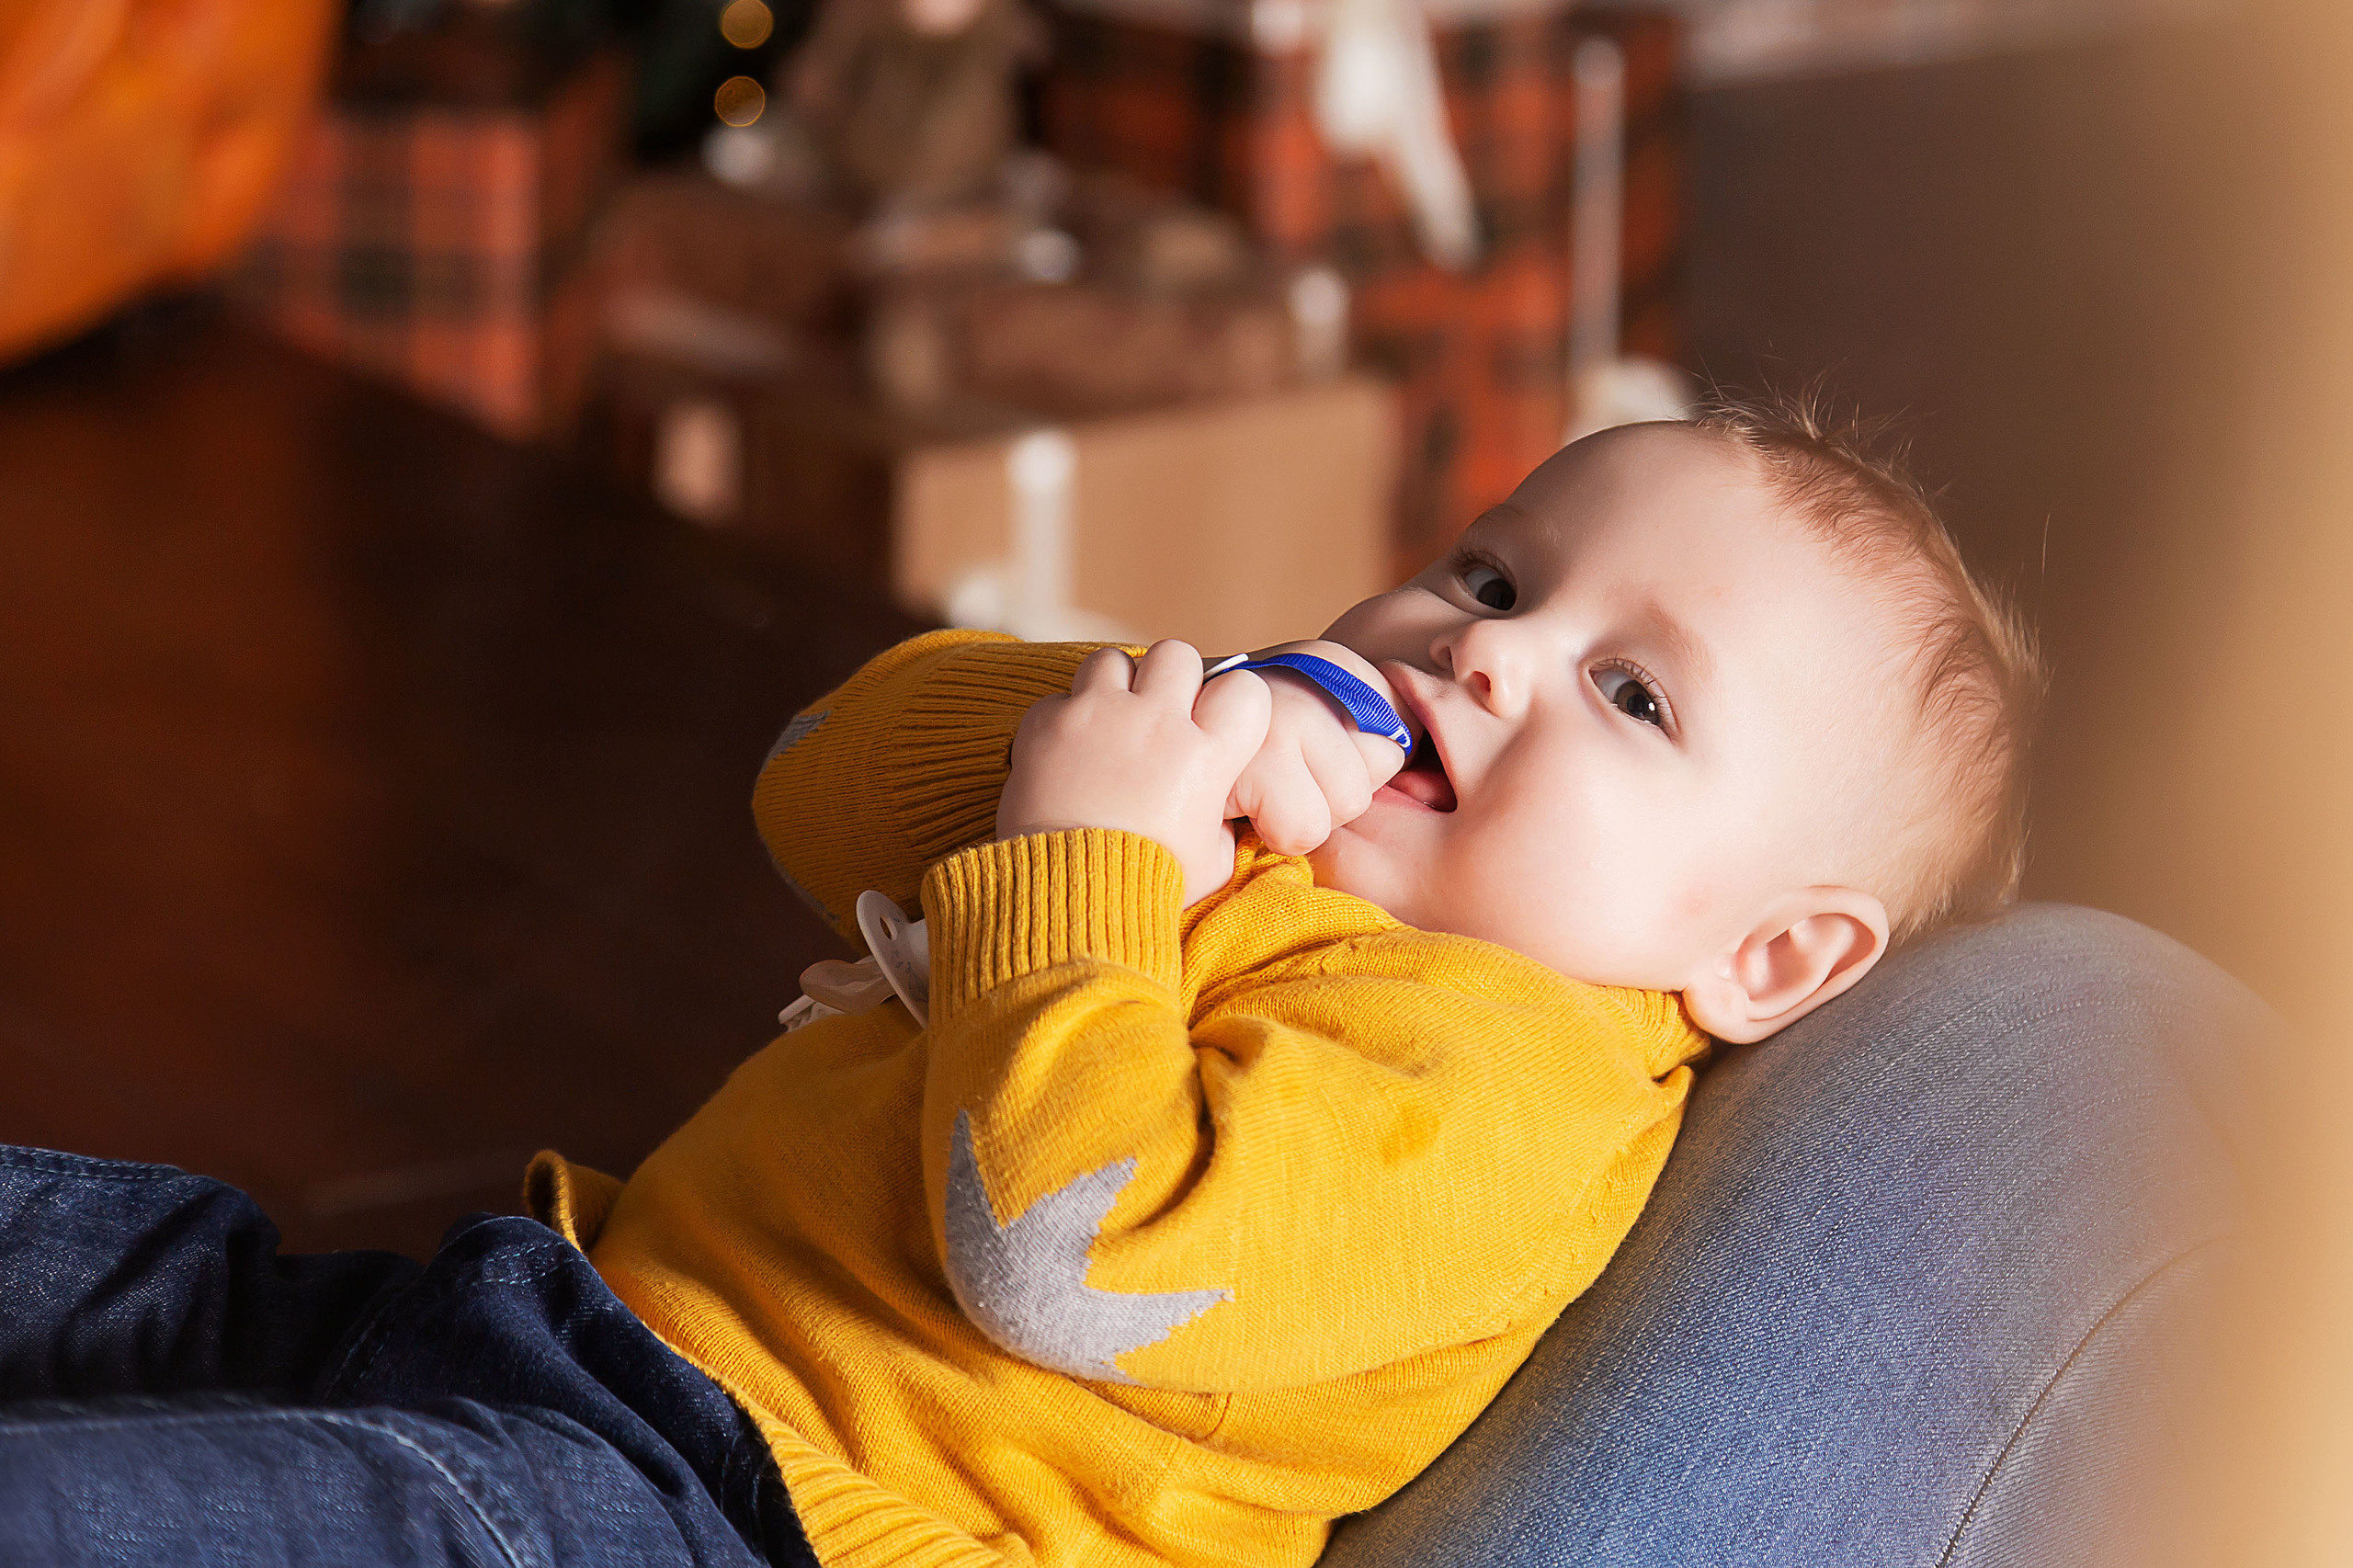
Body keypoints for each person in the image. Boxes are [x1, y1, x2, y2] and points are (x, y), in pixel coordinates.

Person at [0, 401, 2040, 1568]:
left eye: (1628, 691)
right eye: (1495, 575)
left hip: (730, 1521)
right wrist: (1128, 735)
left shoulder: (1494, 1079)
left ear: (1764, 953)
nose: (1484, 651)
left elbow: (1078, 1256)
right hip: (559, 1321)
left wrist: (1089, 871)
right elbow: (811, 779)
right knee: (93, 1264)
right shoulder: (1251, 813)